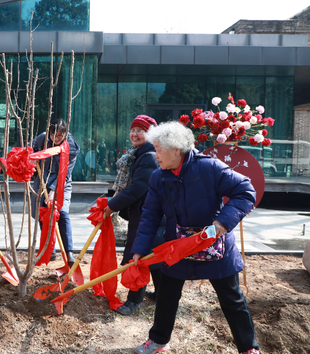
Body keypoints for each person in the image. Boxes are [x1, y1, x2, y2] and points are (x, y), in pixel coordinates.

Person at [131, 121, 259, 354]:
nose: (155, 155)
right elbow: (149, 216)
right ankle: (159, 340)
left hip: (215, 245)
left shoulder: (209, 167)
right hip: (178, 247)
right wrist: (138, 249)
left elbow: (246, 191)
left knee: (232, 299)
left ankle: (248, 347)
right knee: (167, 296)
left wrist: (222, 223)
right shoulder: (158, 177)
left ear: (176, 150)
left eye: (158, 149)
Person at [103, 115, 162, 316]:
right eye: (133, 129)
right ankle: (163, 294)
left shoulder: (149, 156)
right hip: (146, 213)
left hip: (148, 215)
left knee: (140, 255)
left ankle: (134, 301)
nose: (135, 134)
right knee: (154, 255)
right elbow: (129, 185)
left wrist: (112, 206)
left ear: (151, 133)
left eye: (140, 130)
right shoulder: (138, 154)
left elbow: (137, 188)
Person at [31, 119, 80, 264]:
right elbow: (29, 150)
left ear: (66, 133)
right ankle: (49, 250)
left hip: (62, 182)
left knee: (62, 213)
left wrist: (54, 191)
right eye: (53, 135)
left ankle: (68, 252)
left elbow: (64, 172)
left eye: (60, 135)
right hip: (42, 180)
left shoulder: (71, 146)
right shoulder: (42, 138)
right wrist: (32, 158)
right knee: (43, 212)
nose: (56, 138)